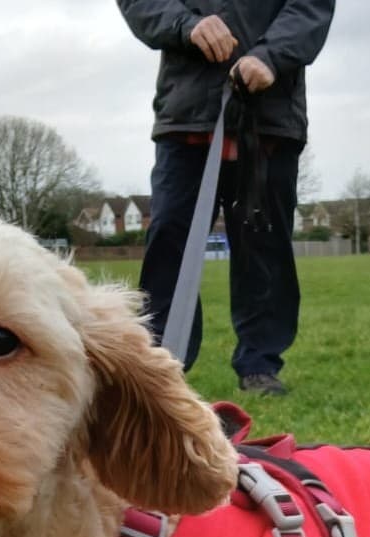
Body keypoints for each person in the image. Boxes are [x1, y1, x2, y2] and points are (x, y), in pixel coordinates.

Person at [117, 1, 336, 395]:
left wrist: (270, 56)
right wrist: (187, 25)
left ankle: (260, 365)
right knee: (169, 237)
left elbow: (310, 7)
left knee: (264, 246)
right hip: (186, 114)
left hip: (269, 115)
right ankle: (163, 364)